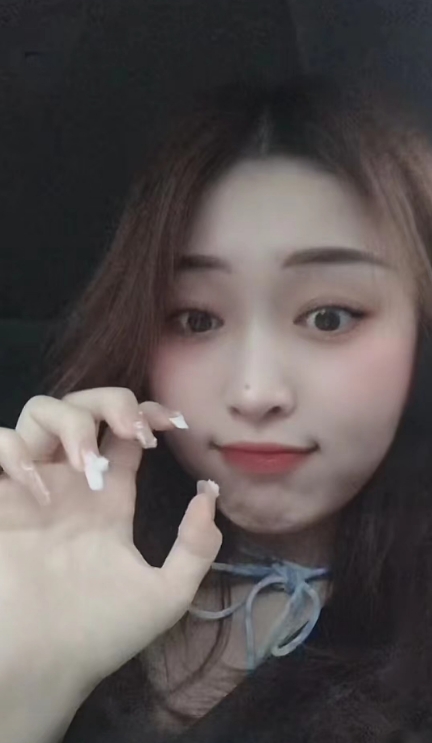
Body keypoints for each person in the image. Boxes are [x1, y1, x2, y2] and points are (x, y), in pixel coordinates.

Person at [1, 73, 432, 743]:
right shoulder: (56, 555)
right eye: (196, 319)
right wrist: (24, 688)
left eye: (329, 316)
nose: (255, 393)